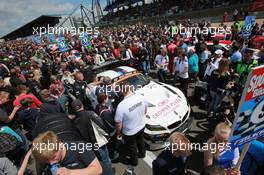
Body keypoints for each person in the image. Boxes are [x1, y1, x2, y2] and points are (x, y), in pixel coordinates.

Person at [71, 99, 115, 175]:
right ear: (82, 105)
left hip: (88, 146)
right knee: (105, 161)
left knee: (97, 162)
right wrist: (108, 135)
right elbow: (101, 125)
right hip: (98, 144)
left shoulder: (74, 121)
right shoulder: (90, 114)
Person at [32, 131, 103, 175]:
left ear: (60, 145)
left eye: (53, 157)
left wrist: (70, 172)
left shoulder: (79, 146)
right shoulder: (44, 155)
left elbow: (98, 169)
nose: (51, 163)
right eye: (46, 160)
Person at [115, 82, 147, 175]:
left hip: (130, 132)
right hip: (141, 126)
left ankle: (134, 161)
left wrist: (118, 133)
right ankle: (142, 153)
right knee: (141, 141)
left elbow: (118, 123)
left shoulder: (121, 106)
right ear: (129, 88)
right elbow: (145, 110)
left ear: (121, 91)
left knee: (132, 147)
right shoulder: (140, 96)